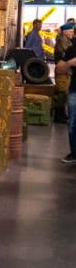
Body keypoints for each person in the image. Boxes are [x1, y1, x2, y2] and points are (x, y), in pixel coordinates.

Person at [56, 23, 76, 163]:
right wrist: (70, 63)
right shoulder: (72, 48)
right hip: (75, 91)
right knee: (73, 125)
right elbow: (59, 69)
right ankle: (74, 154)